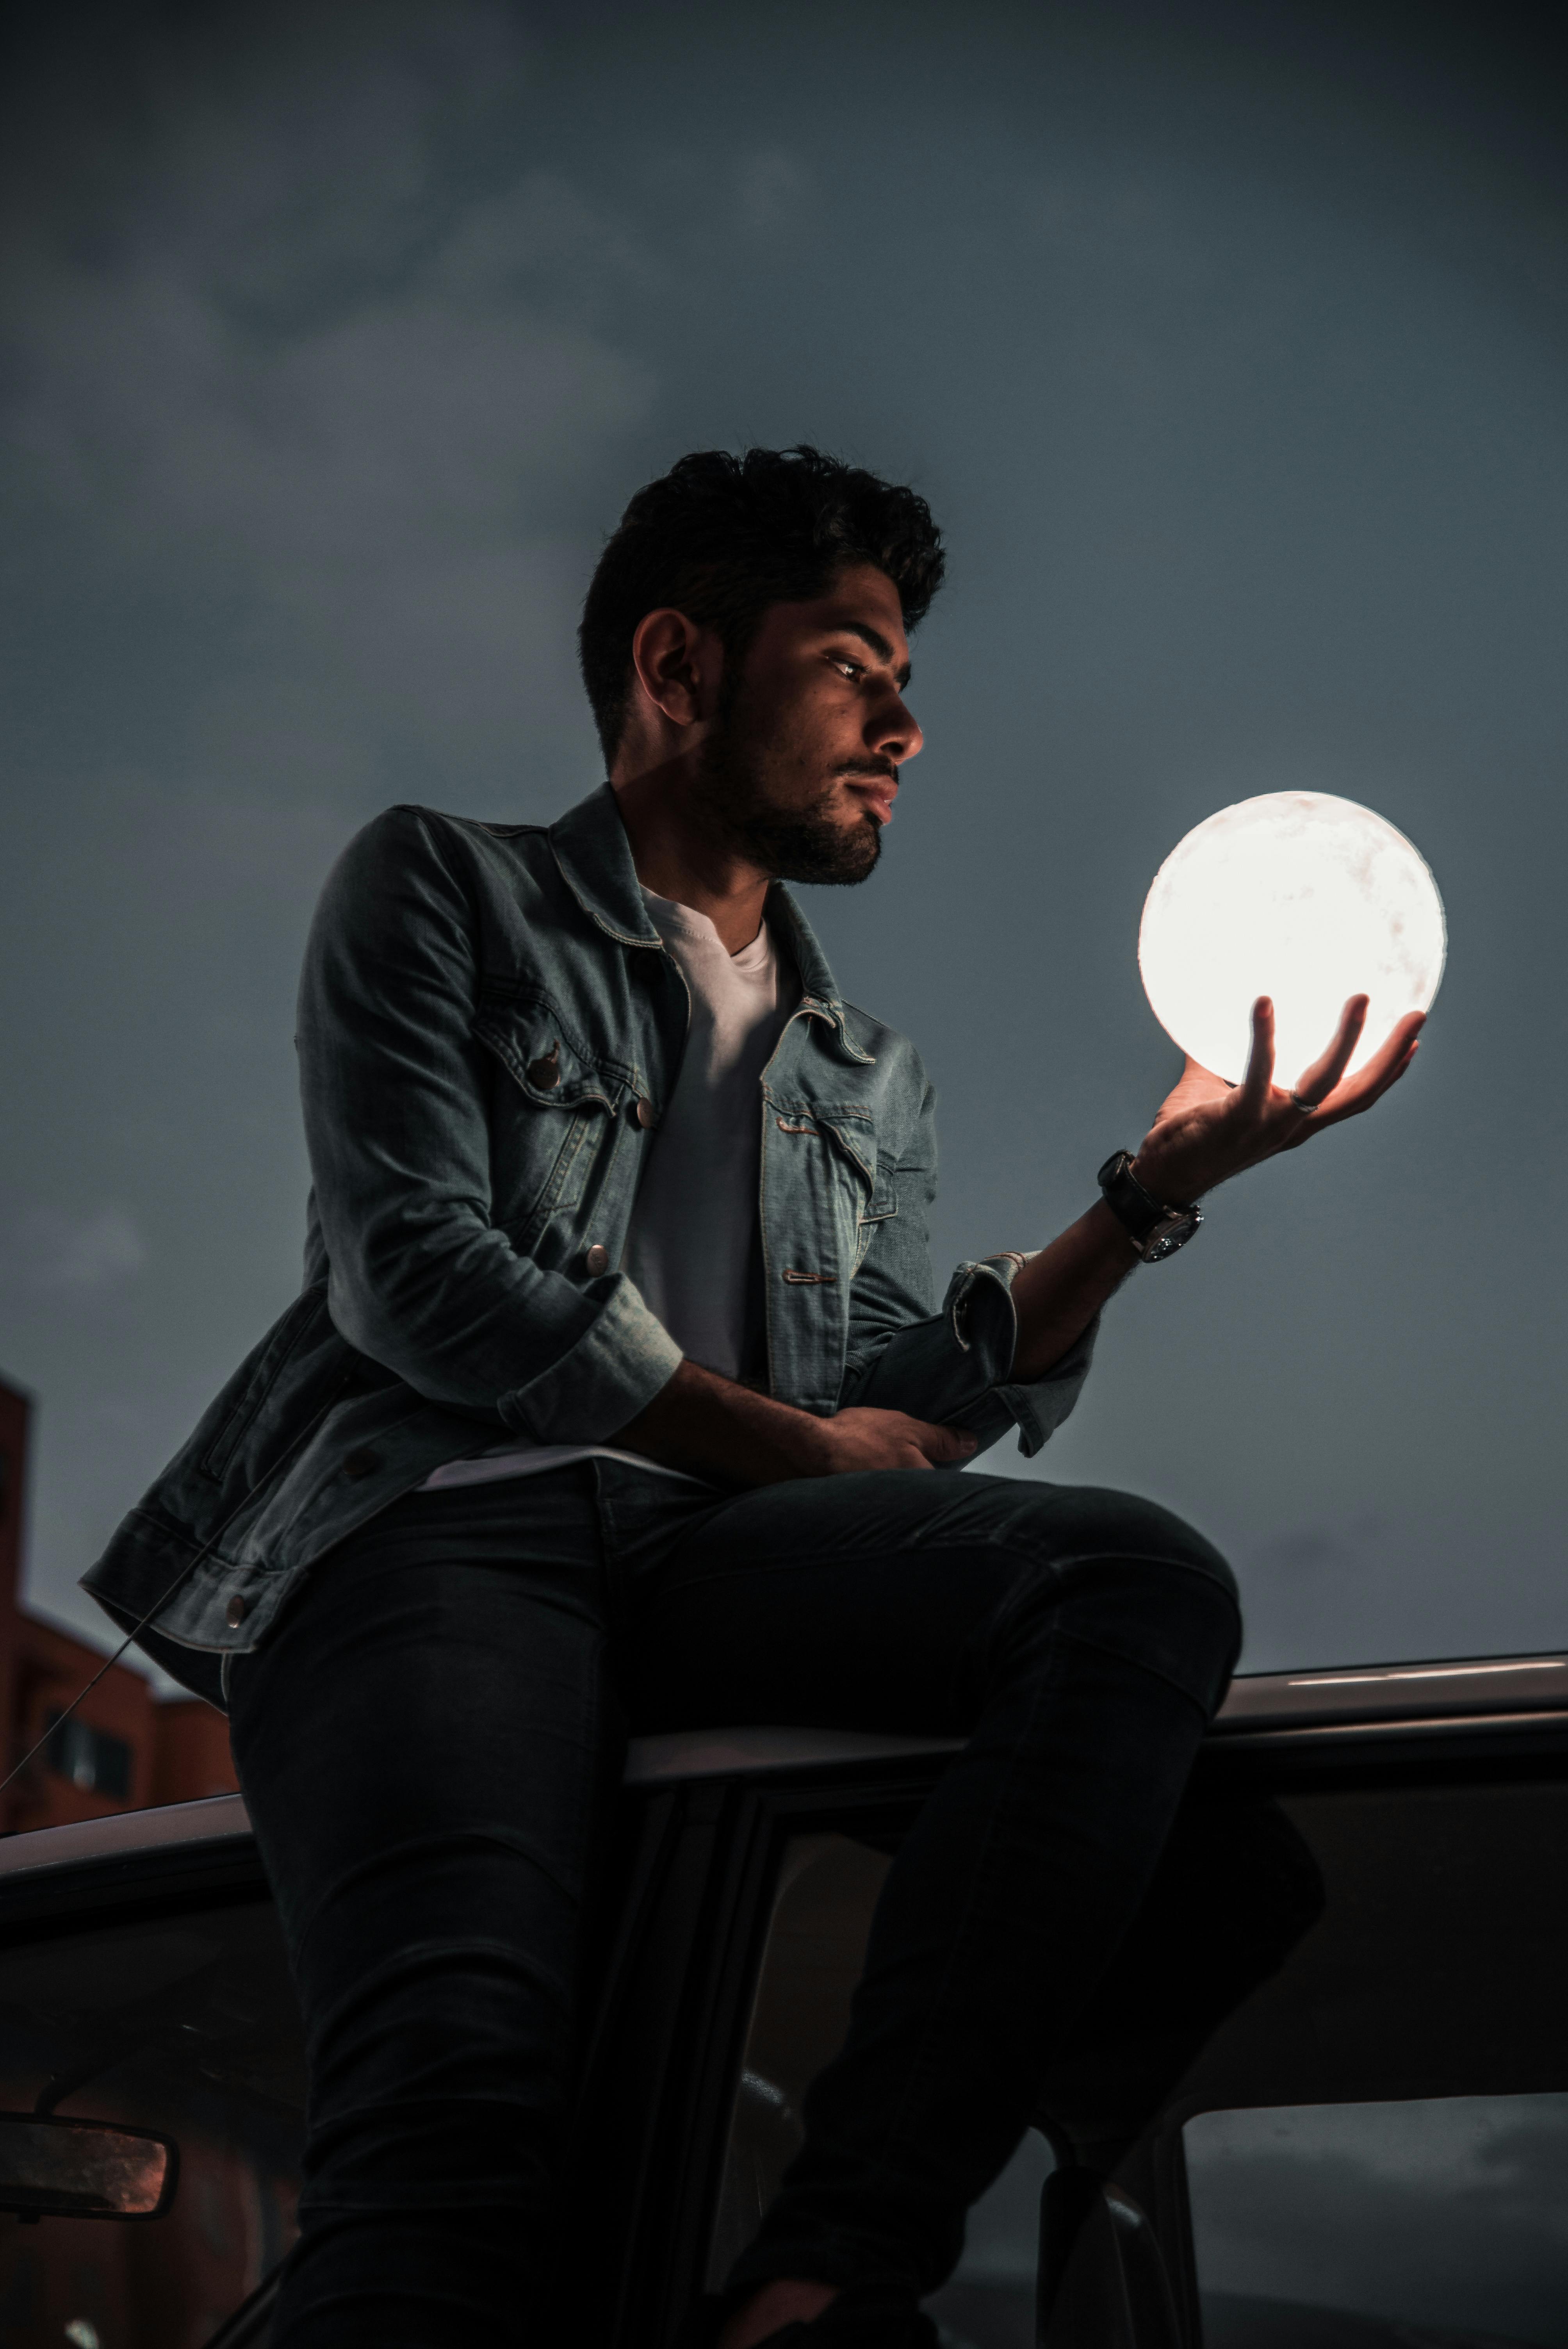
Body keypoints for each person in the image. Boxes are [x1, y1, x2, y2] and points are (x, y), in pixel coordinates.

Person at [85, 446, 1422, 2349]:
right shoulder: (442, 887)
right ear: (678, 665)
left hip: (706, 1558)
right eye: (856, 665)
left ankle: (824, 2270)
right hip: (433, 1532)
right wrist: (796, 1450)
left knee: (1133, 1596)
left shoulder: (866, 1075)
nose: (907, 725)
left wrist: (1149, 1191)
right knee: (454, 2162)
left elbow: (900, 1416)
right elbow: (423, 1282)